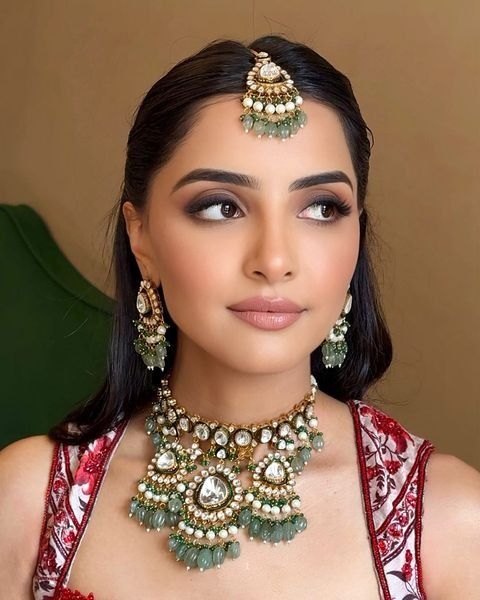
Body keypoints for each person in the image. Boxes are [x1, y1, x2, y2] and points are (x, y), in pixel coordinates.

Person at [0, 35, 478, 600]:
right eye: (221, 206)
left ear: (357, 236)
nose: (274, 260)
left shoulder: (447, 523)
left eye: (321, 208)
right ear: (142, 236)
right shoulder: (30, 501)